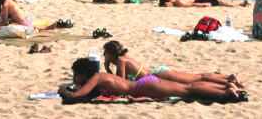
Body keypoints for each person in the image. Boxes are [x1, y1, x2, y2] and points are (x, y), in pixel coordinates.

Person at [58, 58, 246, 102]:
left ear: (82, 73)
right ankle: (225, 87)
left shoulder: (97, 78)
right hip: (144, 83)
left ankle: (225, 92)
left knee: (188, 90)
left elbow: (75, 96)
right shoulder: (101, 77)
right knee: (188, 86)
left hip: (142, 86)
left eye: (76, 74)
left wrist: (63, 90)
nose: (75, 78)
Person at [103, 40, 244, 87]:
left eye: (105, 53)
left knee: (196, 80)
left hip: (160, 76)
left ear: (110, 53)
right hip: (159, 73)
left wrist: (107, 70)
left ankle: (227, 80)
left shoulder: (121, 60)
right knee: (197, 77)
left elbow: (120, 83)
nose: (104, 55)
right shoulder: (125, 57)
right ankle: (227, 79)